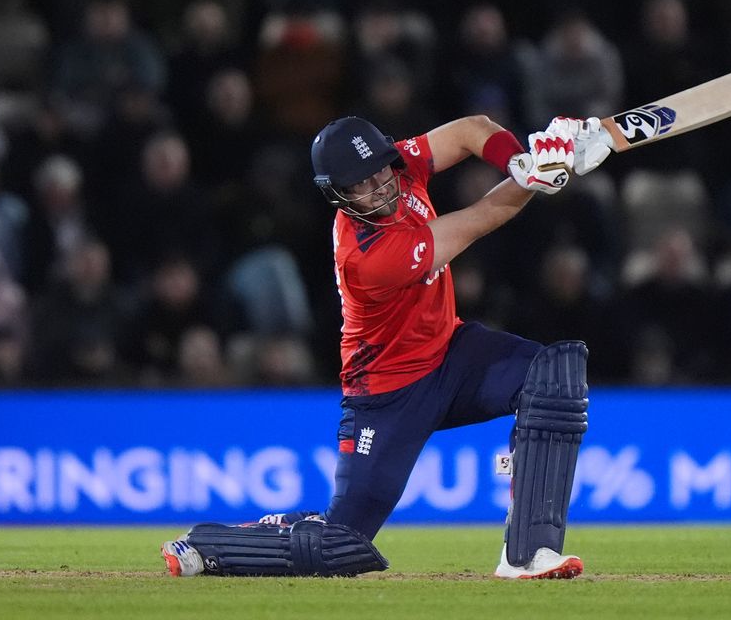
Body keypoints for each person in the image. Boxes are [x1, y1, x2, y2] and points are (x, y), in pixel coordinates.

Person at [159, 112, 612, 579]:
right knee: (342, 544)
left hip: (451, 353)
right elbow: (484, 217)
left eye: (379, 170)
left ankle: (528, 554)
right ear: (337, 193)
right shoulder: (367, 256)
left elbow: (470, 129)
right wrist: (538, 175)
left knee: (552, 376)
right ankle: (208, 544)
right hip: (387, 396)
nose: (379, 186)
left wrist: (522, 159)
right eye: (361, 183)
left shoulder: (396, 167)